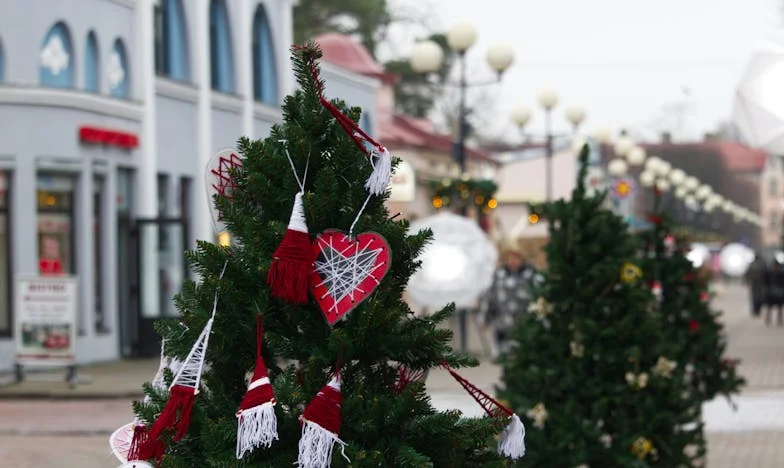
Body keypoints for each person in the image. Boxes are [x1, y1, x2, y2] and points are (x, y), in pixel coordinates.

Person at [478, 243, 540, 358]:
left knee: (524, 357)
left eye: (516, 258)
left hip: (525, 325)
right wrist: (485, 319)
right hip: (503, 326)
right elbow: (490, 297)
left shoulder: (531, 274)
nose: (513, 261)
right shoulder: (499, 274)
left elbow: (540, 297)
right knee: (504, 358)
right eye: (510, 258)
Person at [744, 254, 767, 318]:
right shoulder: (762, 264)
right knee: (759, 297)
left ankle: (755, 310)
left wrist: (746, 281)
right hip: (760, 284)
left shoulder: (752, 264)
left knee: (754, 298)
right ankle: (757, 310)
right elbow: (766, 274)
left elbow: (747, 273)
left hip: (754, 284)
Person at [763, 260, 784, 326]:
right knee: (769, 308)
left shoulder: (781, 274)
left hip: (780, 293)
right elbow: (765, 282)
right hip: (770, 293)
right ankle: (768, 320)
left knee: (779, 308)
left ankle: (779, 321)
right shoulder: (769, 273)